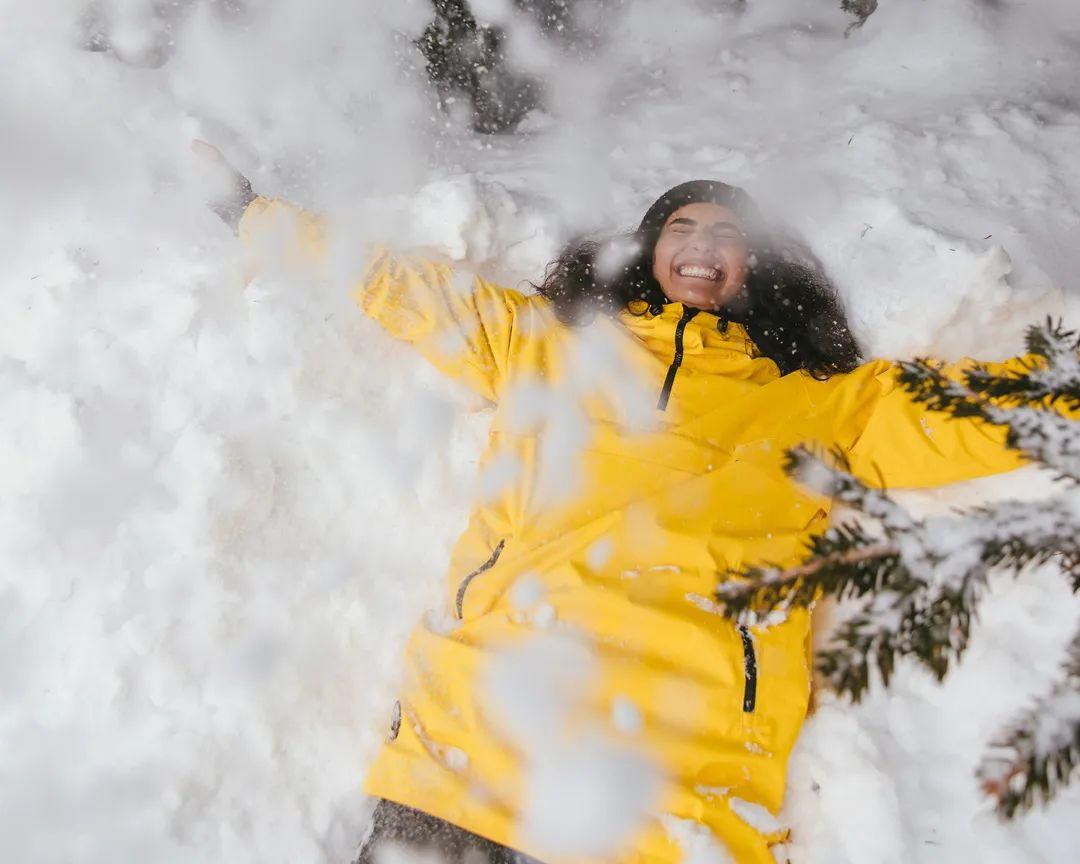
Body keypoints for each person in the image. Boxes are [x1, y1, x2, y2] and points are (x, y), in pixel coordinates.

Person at [201, 149, 1035, 864]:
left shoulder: (825, 406)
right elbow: (400, 286)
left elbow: (986, 411)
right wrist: (262, 218)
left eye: (727, 236)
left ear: (759, 270)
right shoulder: (546, 344)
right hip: (469, 748)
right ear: (648, 251)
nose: (703, 246)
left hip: (672, 800)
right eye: (682, 228)